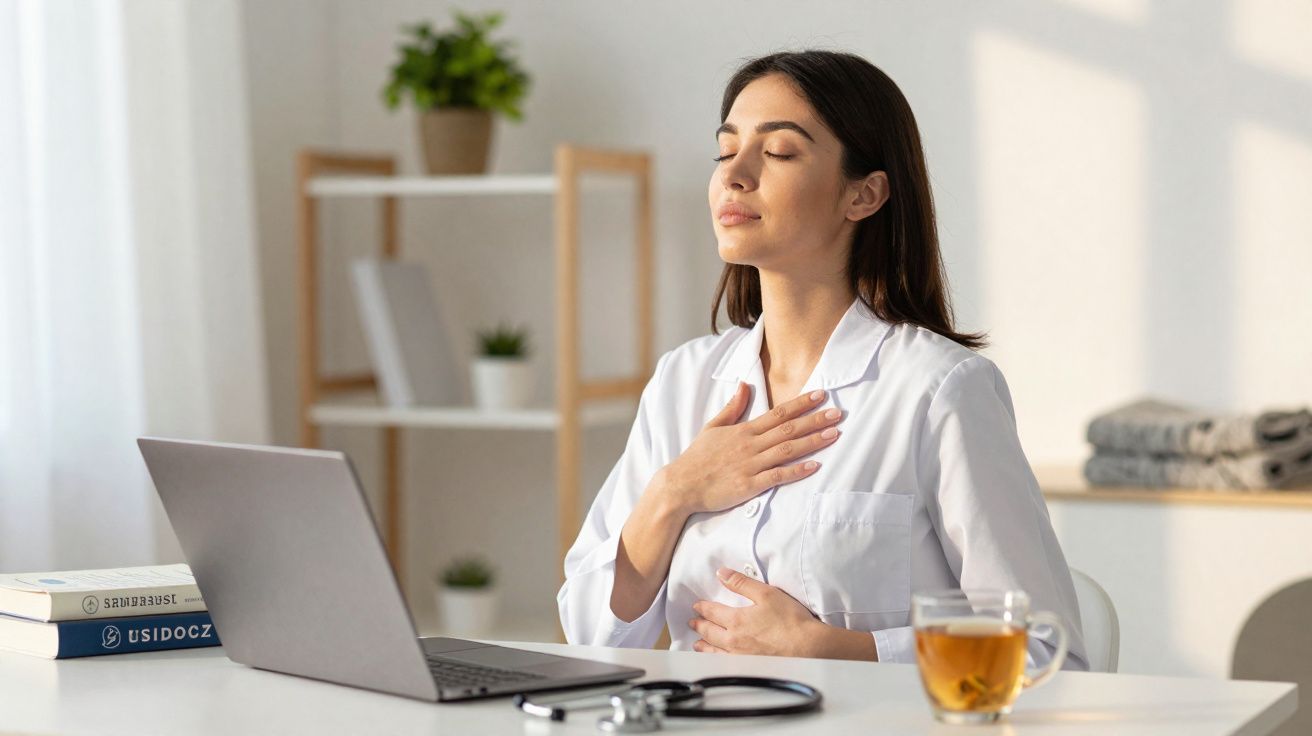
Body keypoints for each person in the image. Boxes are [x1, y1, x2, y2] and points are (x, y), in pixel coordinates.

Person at [557, 49, 1087, 669]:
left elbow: (1051, 656)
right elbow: (590, 635)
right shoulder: (683, 382)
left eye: (778, 152)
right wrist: (675, 491)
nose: (735, 174)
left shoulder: (940, 389)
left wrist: (839, 650)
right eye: (725, 151)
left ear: (863, 195)